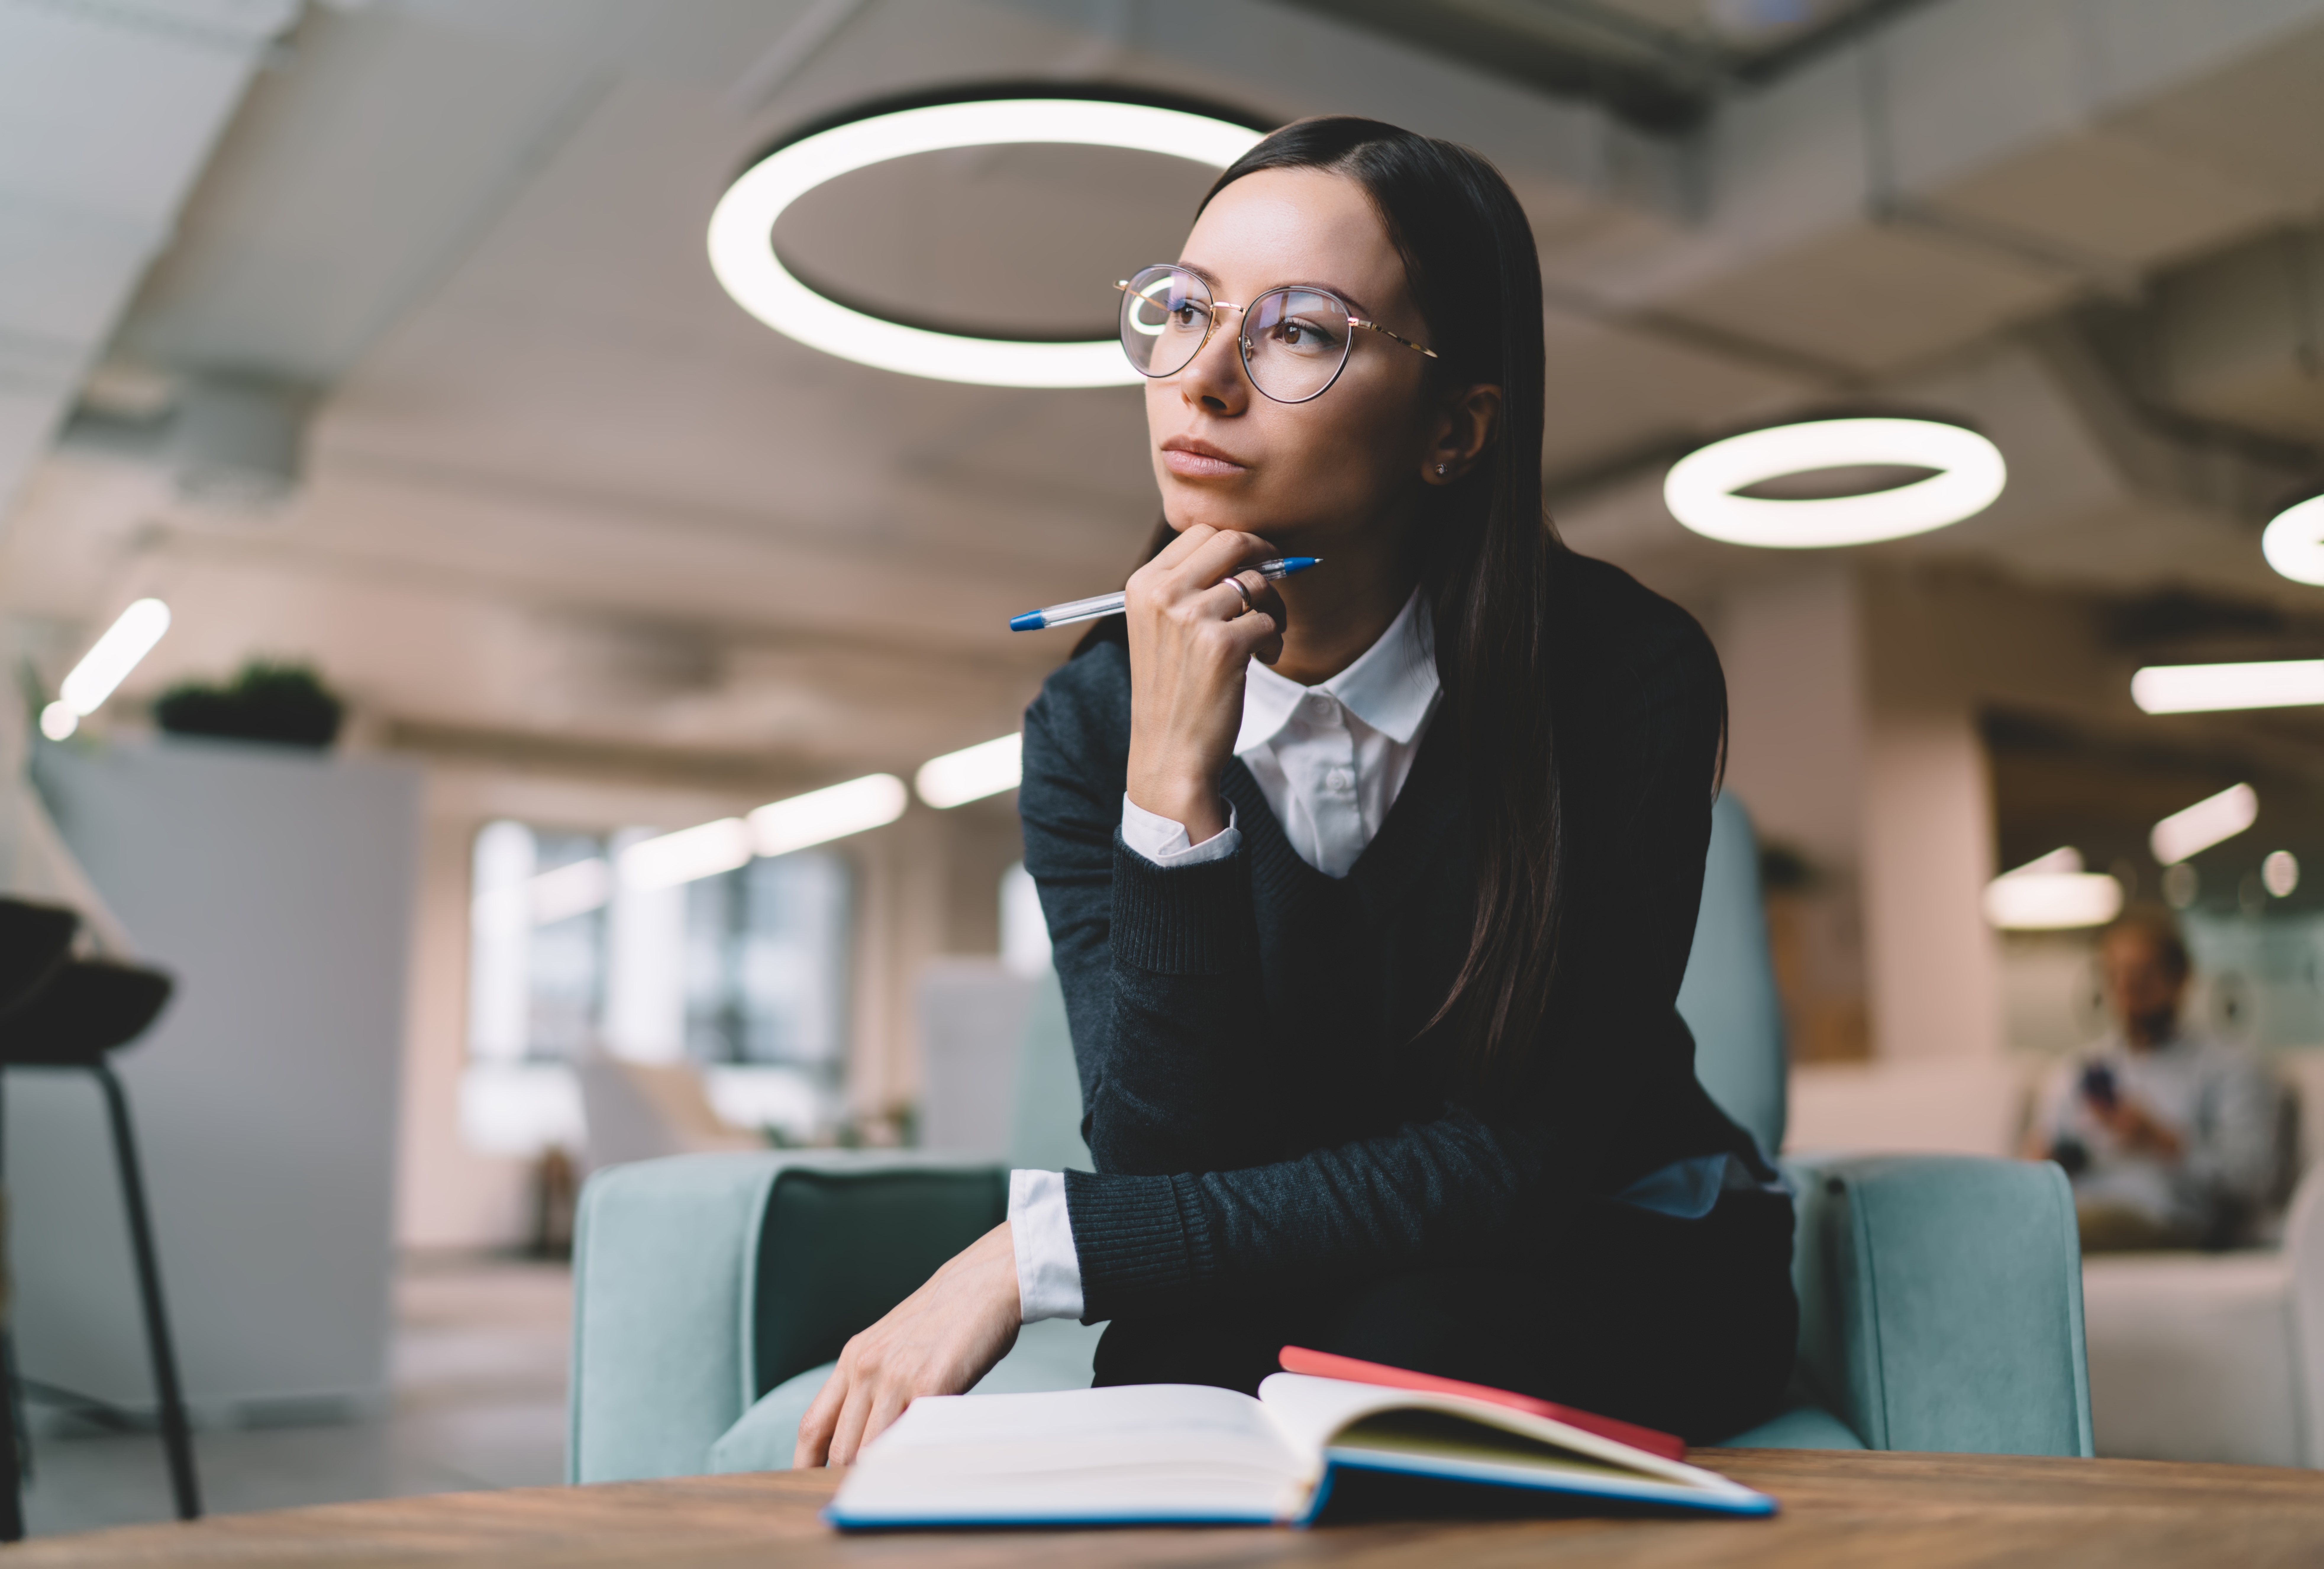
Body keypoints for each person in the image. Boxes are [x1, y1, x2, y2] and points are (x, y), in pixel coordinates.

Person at [794, 117, 1794, 1468]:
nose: (1203, 381)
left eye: (1301, 331)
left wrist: (1038, 1250)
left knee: (1399, 1340)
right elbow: (1168, 1162)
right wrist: (1171, 784)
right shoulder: (1089, 724)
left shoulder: (1625, 674)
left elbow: (1517, 1164)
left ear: (1454, 430)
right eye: (1184, 311)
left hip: (1608, 1236)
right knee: (1171, 1360)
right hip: (1305, 1265)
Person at [2026, 909, 2282, 1252]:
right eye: (2114, 975)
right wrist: (2040, 1166)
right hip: (2078, 1210)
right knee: (2007, 1220)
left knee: (2036, 1232)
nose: (2127, 988)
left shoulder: (2228, 1067)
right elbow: (2038, 1158)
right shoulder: (2077, 1070)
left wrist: (2159, 1140)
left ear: (2180, 979)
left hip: (2165, 1219)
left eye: (2142, 974)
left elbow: (2252, 1179)